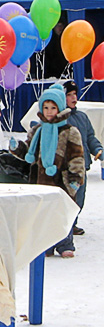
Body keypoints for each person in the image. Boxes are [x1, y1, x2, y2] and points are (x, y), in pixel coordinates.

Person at [11, 84, 83, 257]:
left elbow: (77, 156)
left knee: (60, 213)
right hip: (40, 179)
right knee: (41, 214)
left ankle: (65, 244)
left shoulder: (69, 131)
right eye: (46, 107)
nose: (49, 111)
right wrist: (16, 148)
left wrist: (75, 177)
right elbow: (29, 153)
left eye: (53, 108)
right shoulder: (37, 131)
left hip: (61, 179)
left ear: (59, 108)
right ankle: (45, 245)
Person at [63, 79, 102, 235]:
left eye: (75, 94)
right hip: (66, 168)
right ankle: (63, 228)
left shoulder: (82, 117)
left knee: (80, 198)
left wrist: (98, 149)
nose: (74, 98)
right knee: (67, 198)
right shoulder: (59, 119)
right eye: (69, 95)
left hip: (82, 167)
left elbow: (90, 136)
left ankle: (73, 223)